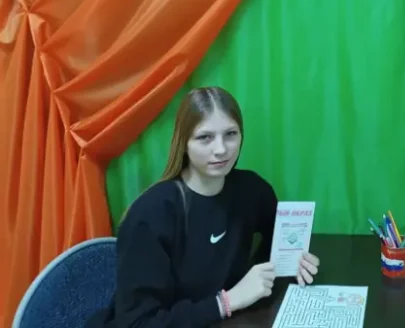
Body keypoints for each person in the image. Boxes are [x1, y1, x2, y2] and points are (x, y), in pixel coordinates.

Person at [87, 87, 320, 327]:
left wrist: (291, 262)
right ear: (184, 143)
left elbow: (278, 240)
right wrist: (227, 302)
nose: (221, 149)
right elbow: (138, 323)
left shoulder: (252, 190)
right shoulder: (151, 215)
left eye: (230, 134)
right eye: (205, 137)